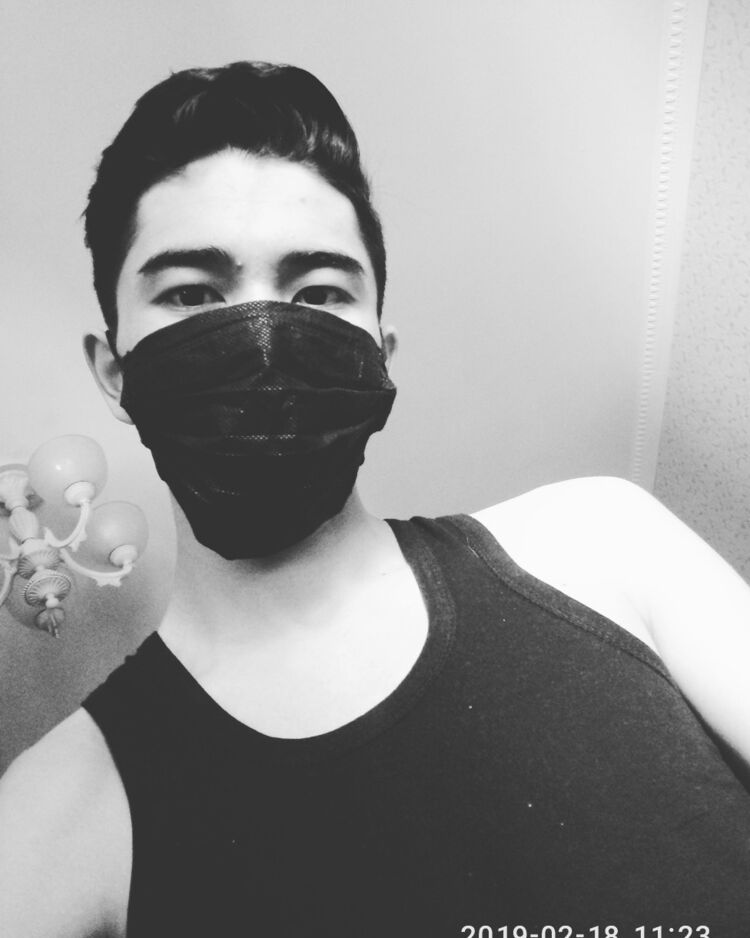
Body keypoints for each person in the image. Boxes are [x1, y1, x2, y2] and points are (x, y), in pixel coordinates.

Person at [1, 60, 749, 938]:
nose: (263, 342)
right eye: (191, 294)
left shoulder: (604, 546)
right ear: (114, 373)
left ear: (379, 355)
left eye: (319, 292)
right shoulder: (54, 821)